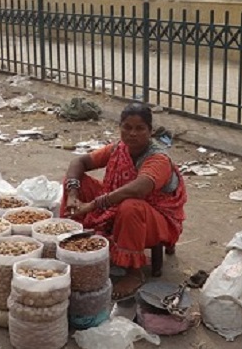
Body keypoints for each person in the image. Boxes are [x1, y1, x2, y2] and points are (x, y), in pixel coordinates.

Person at [61, 103, 188, 300]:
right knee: (75, 182)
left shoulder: (158, 159)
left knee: (130, 206)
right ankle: (71, 240)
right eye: (127, 127)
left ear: (150, 131)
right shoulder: (118, 149)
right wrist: (72, 195)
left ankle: (134, 272)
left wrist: (93, 204)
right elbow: (79, 162)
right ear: (120, 127)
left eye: (140, 128)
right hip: (115, 208)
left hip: (156, 220)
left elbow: (139, 189)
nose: (132, 134)